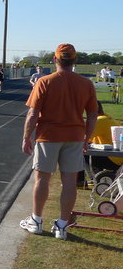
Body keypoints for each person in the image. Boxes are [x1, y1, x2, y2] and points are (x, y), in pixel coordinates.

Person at [20, 43, 97, 240]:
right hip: (74, 137)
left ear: (55, 59)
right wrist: (87, 138)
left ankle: (36, 220)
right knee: (69, 181)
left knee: (42, 179)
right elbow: (92, 114)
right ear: (74, 60)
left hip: (48, 135)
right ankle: (62, 225)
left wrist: (26, 137)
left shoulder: (45, 81)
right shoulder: (86, 84)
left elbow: (32, 113)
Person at [87, 101, 123, 170]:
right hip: (118, 157)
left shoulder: (99, 121)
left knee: (78, 153)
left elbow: (82, 138)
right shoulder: (107, 118)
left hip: (113, 160)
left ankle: (90, 179)